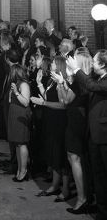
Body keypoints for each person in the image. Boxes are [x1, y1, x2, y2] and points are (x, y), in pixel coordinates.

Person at [67, 51, 107, 220]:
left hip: (103, 134)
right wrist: (70, 80)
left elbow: (90, 86)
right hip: (93, 133)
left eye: (95, 62)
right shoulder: (97, 79)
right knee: (98, 175)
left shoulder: (104, 81)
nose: (91, 64)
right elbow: (84, 91)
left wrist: (77, 70)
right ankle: (101, 210)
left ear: (103, 64)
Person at [52, 50, 91, 214]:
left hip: (77, 122)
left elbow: (66, 101)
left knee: (74, 157)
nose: (69, 65)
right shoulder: (79, 81)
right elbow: (63, 100)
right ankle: (83, 197)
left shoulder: (80, 83)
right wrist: (62, 84)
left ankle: (82, 199)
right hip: (74, 119)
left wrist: (62, 82)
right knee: (73, 157)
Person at [32, 56, 70, 202]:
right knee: (53, 153)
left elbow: (62, 105)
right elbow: (47, 97)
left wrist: (44, 103)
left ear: (59, 65)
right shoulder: (52, 80)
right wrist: (39, 83)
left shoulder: (62, 82)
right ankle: (55, 185)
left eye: (53, 62)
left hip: (59, 121)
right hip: (50, 119)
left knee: (60, 154)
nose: (51, 64)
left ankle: (65, 189)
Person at [6, 64, 31, 182]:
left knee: (21, 143)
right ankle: (19, 170)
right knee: (17, 143)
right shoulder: (15, 84)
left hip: (21, 115)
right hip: (14, 114)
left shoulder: (24, 84)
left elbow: (26, 102)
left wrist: (16, 92)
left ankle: (24, 171)